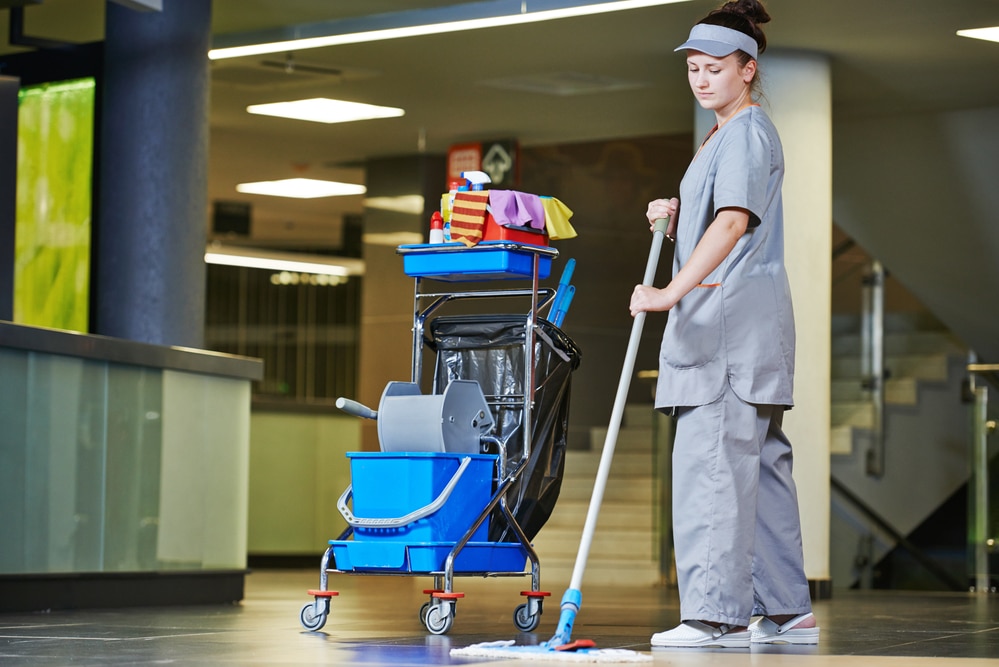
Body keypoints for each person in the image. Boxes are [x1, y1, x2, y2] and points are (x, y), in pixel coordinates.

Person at [629, 0, 819, 650]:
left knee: (712, 468)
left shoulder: (743, 132)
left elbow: (733, 221)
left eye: (715, 69)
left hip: (724, 337)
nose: (702, 79)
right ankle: (788, 611)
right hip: (750, 333)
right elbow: (720, 212)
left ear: (747, 69)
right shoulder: (730, 134)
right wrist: (675, 214)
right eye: (693, 70)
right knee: (759, 471)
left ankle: (714, 617)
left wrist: (666, 292)